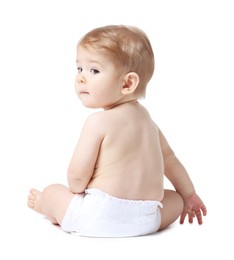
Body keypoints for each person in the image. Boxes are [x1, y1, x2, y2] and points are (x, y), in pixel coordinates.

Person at [27, 25, 207, 237]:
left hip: (96, 217)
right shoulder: (149, 124)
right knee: (175, 199)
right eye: (79, 69)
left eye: (93, 70)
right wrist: (188, 194)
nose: (81, 78)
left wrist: (75, 193)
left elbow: (76, 180)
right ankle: (163, 209)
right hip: (145, 220)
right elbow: (171, 160)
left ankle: (42, 204)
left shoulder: (97, 122)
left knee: (53, 192)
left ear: (128, 83)